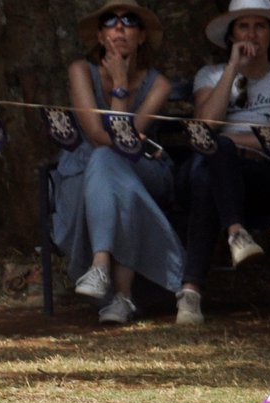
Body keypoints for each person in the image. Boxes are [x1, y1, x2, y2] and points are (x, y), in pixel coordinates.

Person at [54, 0, 184, 325]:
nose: (120, 27)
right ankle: (122, 297)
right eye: (111, 21)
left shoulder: (159, 85)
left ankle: (100, 266)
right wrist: (117, 82)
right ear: (100, 37)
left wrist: (121, 85)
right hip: (87, 168)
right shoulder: (80, 71)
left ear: (141, 37)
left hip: (145, 167)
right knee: (110, 171)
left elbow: (126, 140)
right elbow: (97, 135)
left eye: (129, 21)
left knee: (110, 162)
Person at [181, 0, 270, 324]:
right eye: (243, 26)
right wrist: (232, 70)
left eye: (260, 26)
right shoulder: (210, 75)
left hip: (262, 173)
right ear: (231, 35)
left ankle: (191, 292)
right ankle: (236, 234)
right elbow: (204, 126)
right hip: (214, 171)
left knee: (213, 160)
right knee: (208, 174)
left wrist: (225, 144)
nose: (252, 33)